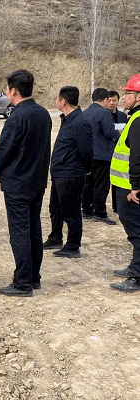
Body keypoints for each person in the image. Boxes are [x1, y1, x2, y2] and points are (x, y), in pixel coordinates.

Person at [0, 70, 52, 297]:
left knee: (20, 233)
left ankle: (22, 283)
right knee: (33, 229)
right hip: (37, 181)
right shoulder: (43, 113)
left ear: (14, 90)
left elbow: (3, 151)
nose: (6, 93)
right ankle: (33, 276)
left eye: (7, 89)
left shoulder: (17, 116)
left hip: (17, 183)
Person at [43, 86, 93, 258]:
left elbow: (86, 151)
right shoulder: (68, 119)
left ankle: (73, 245)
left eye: (57, 98)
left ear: (63, 101)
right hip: (60, 173)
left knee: (71, 211)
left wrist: (84, 170)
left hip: (71, 174)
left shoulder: (80, 122)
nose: (56, 101)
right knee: (55, 208)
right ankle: (55, 237)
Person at [110, 74, 140, 292]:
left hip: (131, 188)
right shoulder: (135, 118)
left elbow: (137, 157)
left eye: (129, 93)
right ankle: (134, 267)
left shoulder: (138, 121)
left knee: (137, 232)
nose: (125, 97)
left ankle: (137, 276)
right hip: (127, 185)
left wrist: (136, 186)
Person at [82, 88, 119, 225]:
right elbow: (109, 132)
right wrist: (119, 133)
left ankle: (86, 210)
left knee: (88, 183)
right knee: (102, 185)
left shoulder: (85, 113)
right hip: (102, 155)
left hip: (88, 154)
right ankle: (100, 212)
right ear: (104, 100)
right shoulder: (104, 113)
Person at [108, 90, 128, 214]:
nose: (112, 103)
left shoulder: (122, 115)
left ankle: (116, 206)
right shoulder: (104, 115)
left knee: (118, 180)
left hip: (120, 150)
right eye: (109, 100)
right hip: (108, 150)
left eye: (114, 100)